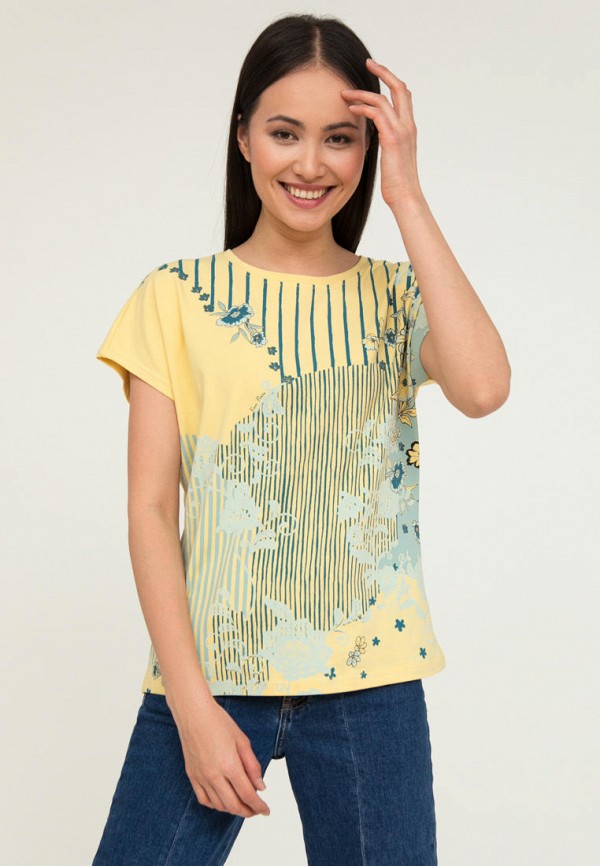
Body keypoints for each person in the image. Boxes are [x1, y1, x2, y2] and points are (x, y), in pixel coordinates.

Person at [92, 12, 510, 866]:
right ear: (243, 135)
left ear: (369, 149)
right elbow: (149, 512)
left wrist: (407, 195)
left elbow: (482, 387)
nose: (312, 164)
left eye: (341, 139)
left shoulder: (398, 297)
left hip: (373, 689)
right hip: (209, 681)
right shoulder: (175, 297)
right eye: (285, 133)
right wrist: (192, 708)